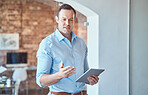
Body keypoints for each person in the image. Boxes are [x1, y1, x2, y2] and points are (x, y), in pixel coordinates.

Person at [36, 4, 99, 95]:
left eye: (71, 19)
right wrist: (59, 75)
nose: (67, 23)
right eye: (64, 19)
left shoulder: (81, 43)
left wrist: (90, 79)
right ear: (57, 19)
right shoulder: (47, 44)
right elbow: (41, 81)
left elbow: (85, 73)